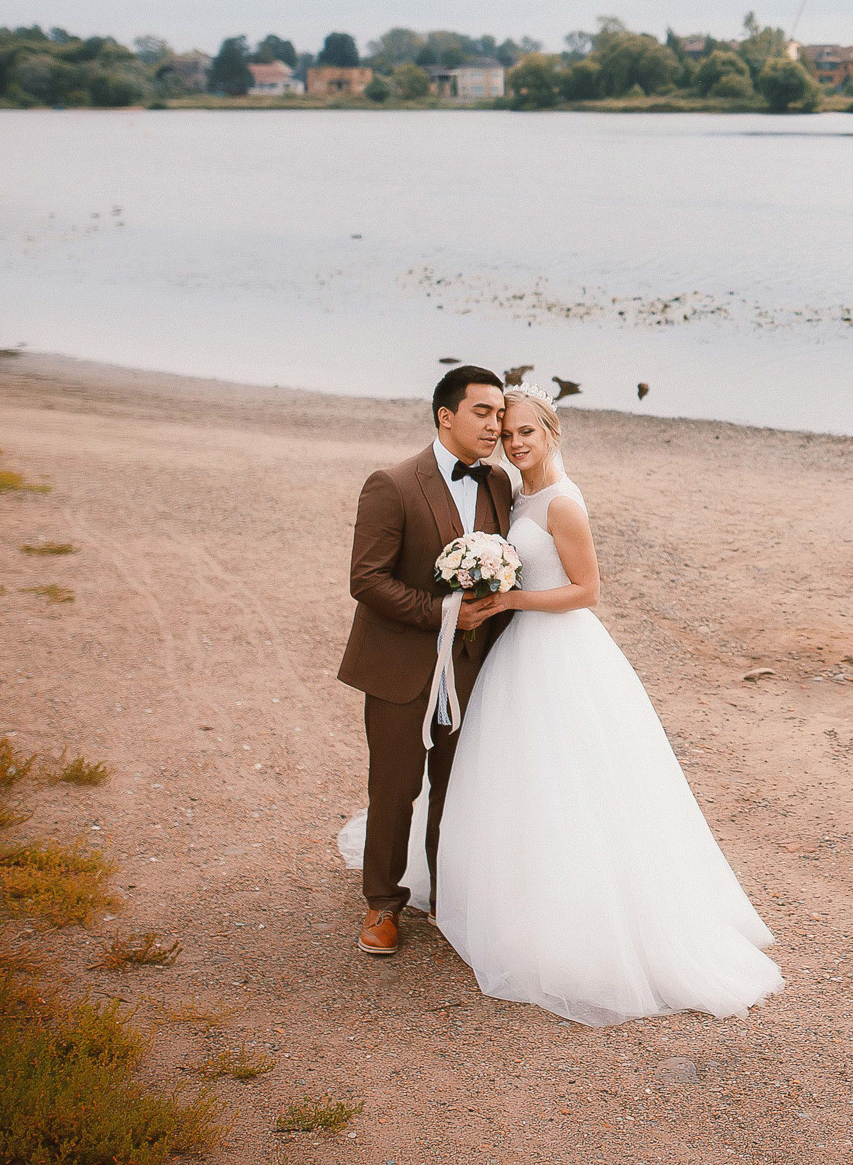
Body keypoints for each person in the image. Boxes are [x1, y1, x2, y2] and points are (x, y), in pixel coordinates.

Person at [428, 386, 782, 1025]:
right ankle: (517, 897)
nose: (514, 443)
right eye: (507, 434)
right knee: (524, 779)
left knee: (575, 780)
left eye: (525, 433)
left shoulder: (562, 502)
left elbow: (587, 591)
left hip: (558, 649)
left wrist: (508, 601)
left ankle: (584, 923)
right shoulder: (515, 492)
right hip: (519, 653)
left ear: (551, 433)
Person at [334, 366, 514, 959]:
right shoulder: (391, 484)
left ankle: (444, 896)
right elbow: (367, 580)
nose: (496, 425)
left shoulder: (498, 485)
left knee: (456, 786)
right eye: (482, 413)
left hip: (472, 665)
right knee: (394, 787)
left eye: (499, 413)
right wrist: (443, 613)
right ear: (446, 416)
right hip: (401, 665)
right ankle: (382, 904)